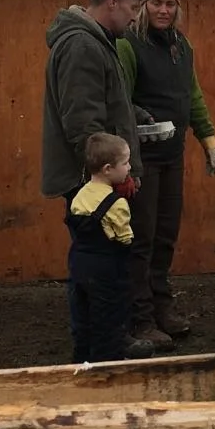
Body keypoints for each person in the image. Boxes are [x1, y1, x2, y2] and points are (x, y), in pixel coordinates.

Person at [40, 0, 157, 360]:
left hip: (95, 178)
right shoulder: (82, 46)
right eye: (132, 6)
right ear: (113, 1)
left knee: (100, 268)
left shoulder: (94, 42)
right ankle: (105, 347)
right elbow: (83, 126)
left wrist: (132, 114)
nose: (135, 15)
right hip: (92, 183)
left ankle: (101, 340)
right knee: (102, 271)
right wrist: (106, 182)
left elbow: (100, 104)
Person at [114, 0, 215, 346]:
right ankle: (139, 317)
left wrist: (207, 139)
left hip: (172, 154)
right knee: (141, 237)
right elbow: (121, 100)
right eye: (157, 2)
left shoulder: (181, 46)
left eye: (170, 4)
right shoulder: (128, 45)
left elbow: (191, 96)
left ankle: (162, 307)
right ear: (144, 6)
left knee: (165, 236)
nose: (164, 10)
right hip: (140, 158)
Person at [64, 133, 140, 363]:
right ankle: (108, 364)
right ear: (108, 169)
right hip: (106, 268)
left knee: (82, 315)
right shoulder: (117, 204)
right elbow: (125, 239)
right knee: (109, 316)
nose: (129, 167)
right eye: (125, 163)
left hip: (79, 265)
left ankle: (81, 362)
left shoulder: (79, 196)